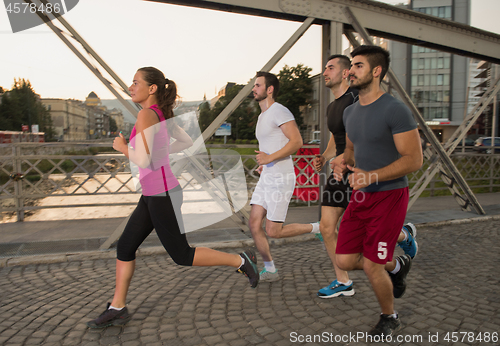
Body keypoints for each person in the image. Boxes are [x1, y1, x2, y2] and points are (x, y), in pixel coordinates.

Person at [87, 67, 259, 329]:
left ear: (152, 88)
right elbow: (187, 141)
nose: (130, 87)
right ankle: (117, 307)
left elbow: (143, 159)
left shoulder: (147, 114)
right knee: (125, 247)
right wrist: (161, 153)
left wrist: (123, 147)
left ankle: (241, 261)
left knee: (181, 254)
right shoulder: (161, 115)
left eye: (135, 83)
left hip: (162, 194)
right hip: (154, 193)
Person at [332, 46, 423, 336]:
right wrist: (342, 162)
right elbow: (351, 149)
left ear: (376, 71)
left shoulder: (394, 109)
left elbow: (414, 160)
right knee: (344, 259)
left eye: (358, 65)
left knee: (373, 265)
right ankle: (397, 266)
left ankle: (389, 317)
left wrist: (373, 176)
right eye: (350, 66)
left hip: (389, 196)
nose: (350, 71)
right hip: (361, 195)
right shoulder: (350, 112)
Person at [313, 55, 418, 299]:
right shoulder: (336, 107)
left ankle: (401, 237)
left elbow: (407, 155)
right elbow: (337, 137)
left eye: (331, 68)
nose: (325, 72)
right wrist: (328, 157)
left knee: (372, 237)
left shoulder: (358, 97)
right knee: (327, 227)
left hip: (362, 174)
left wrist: (358, 165)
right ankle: (346, 279)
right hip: (343, 172)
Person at [249, 71, 320, 282]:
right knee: (254, 224)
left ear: (269, 89)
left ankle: (318, 227)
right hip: (268, 176)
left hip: (281, 178)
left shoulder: (279, 111)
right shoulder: (262, 116)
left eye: (258, 85)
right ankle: (270, 269)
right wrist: (266, 163)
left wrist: (270, 157)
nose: (254, 88)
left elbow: (296, 142)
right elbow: (272, 144)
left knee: (274, 231)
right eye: (254, 85)